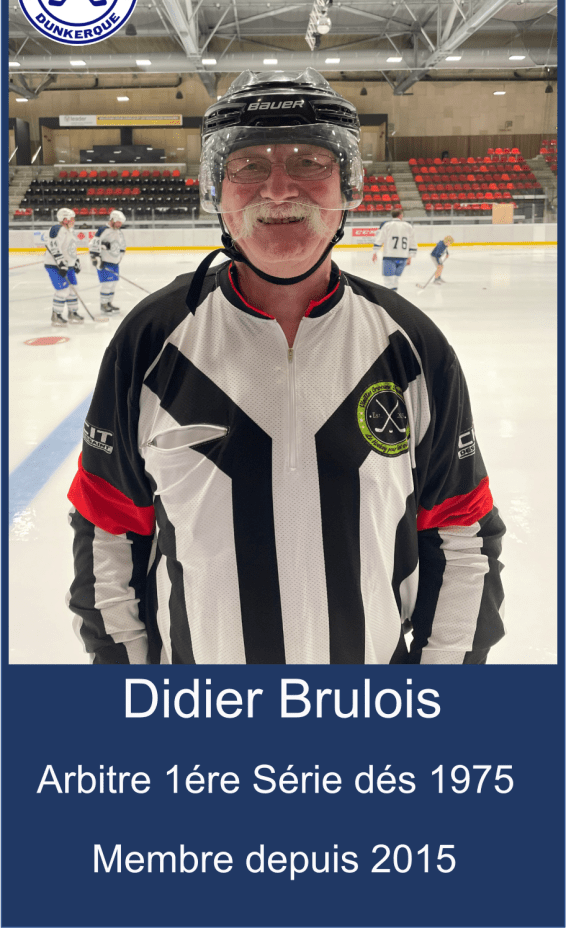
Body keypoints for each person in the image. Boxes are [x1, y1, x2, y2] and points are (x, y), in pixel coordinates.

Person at [67, 68, 505, 665]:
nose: (277, 190)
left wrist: (436, 695)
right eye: (248, 165)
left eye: (309, 161)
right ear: (217, 192)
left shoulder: (412, 347)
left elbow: (461, 532)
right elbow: (108, 529)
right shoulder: (149, 343)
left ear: (348, 186)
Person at [44, 207, 83, 326]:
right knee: (63, 290)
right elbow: (54, 247)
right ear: (65, 219)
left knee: (72, 289)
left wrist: (75, 262)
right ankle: (56, 315)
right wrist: (61, 263)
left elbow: (71, 249)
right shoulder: (57, 229)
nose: (74, 221)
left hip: (68, 266)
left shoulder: (69, 231)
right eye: (72, 219)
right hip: (55, 266)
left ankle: (72, 313)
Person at [89, 209, 127, 313]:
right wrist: (96, 258)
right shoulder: (104, 230)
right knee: (107, 284)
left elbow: (122, 245)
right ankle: (104, 304)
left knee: (113, 284)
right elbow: (93, 244)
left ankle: (109, 303)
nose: (120, 225)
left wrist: (120, 256)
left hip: (115, 263)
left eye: (121, 223)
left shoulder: (118, 232)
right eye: (118, 222)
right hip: (105, 262)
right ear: (113, 220)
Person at [371, 207, 418, 290]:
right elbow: (412, 242)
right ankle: (394, 294)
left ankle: (389, 296)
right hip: (403, 257)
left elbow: (380, 239)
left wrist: (375, 252)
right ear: (400, 215)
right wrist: (410, 256)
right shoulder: (408, 226)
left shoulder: (387, 225)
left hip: (389, 256)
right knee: (396, 280)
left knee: (388, 281)